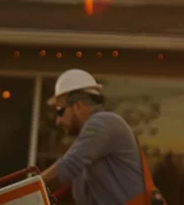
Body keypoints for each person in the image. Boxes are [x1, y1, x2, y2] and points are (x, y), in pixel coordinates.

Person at [39, 69, 164, 205]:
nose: (58, 121)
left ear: (77, 106)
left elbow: (67, 167)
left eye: (60, 111)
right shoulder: (91, 145)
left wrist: (26, 189)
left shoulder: (102, 122)